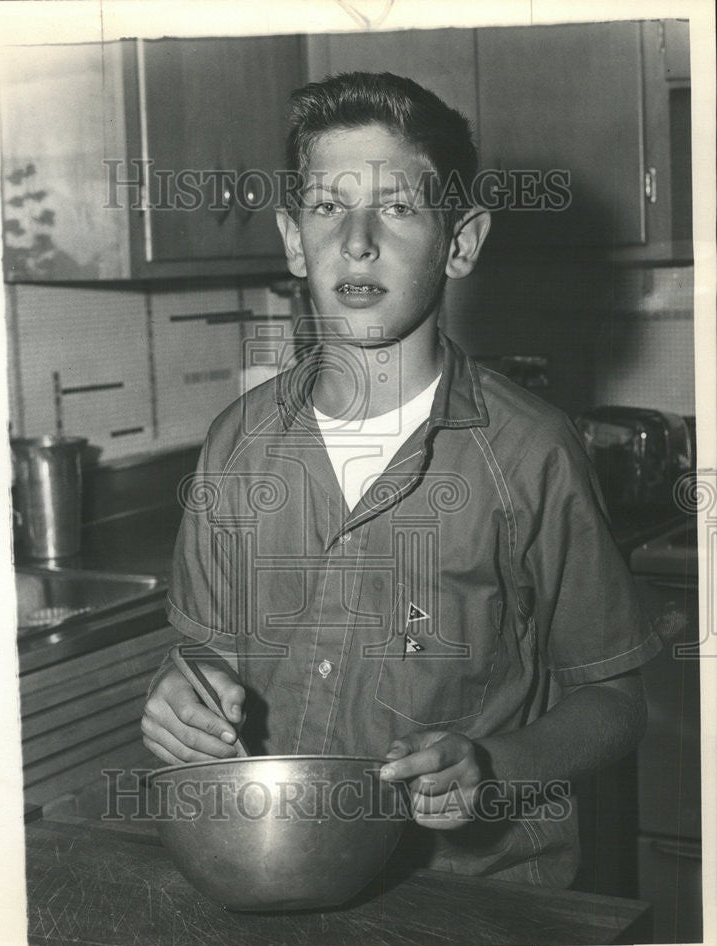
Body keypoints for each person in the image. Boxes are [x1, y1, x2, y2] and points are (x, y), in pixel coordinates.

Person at [141, 72, 661, 887]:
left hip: (472, 904)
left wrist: (494, 763)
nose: (355, 241)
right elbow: (202, 648)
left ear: (460, 241)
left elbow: (614, 703)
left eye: (396, 206)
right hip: (271, 874)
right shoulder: (235, 442)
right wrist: (187, 690)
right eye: (325, 206)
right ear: (290, 237)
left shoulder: (531, 452)